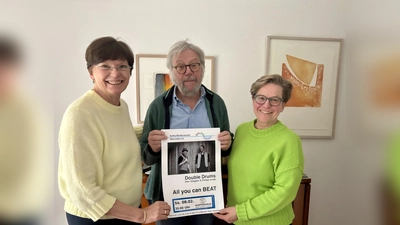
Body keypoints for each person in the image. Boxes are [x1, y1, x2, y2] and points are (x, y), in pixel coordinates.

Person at [58, 36, 170, 225]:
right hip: (96, 218)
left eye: (122, 66)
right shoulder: (79, 114)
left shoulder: (120, 106)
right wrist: (142, 216)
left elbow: (116, 138)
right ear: (91, 72)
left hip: (126, 212)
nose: (115, 73)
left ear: (130, 71)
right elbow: (82, 191)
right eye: (105, 66)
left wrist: (166, 128)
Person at [140, 40, 233, 225]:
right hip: (167, 196)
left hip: (205, 197)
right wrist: (152, 148)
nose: (188, 71)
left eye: (194, 65)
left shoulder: (217, 103)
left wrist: (227, 144)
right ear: (172, 72)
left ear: (202, 68)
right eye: (181, 67)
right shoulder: (158, 106)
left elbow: (224, 149)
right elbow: (145, 157)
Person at [214, 74, 304, 225]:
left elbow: (284, 192)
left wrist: (241, 212)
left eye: (275, 100)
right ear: (253, 100)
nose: (266, 105)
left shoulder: (289, 141)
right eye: (261, 98)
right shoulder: (242, 130)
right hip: (237, 220)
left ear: (283, 105)